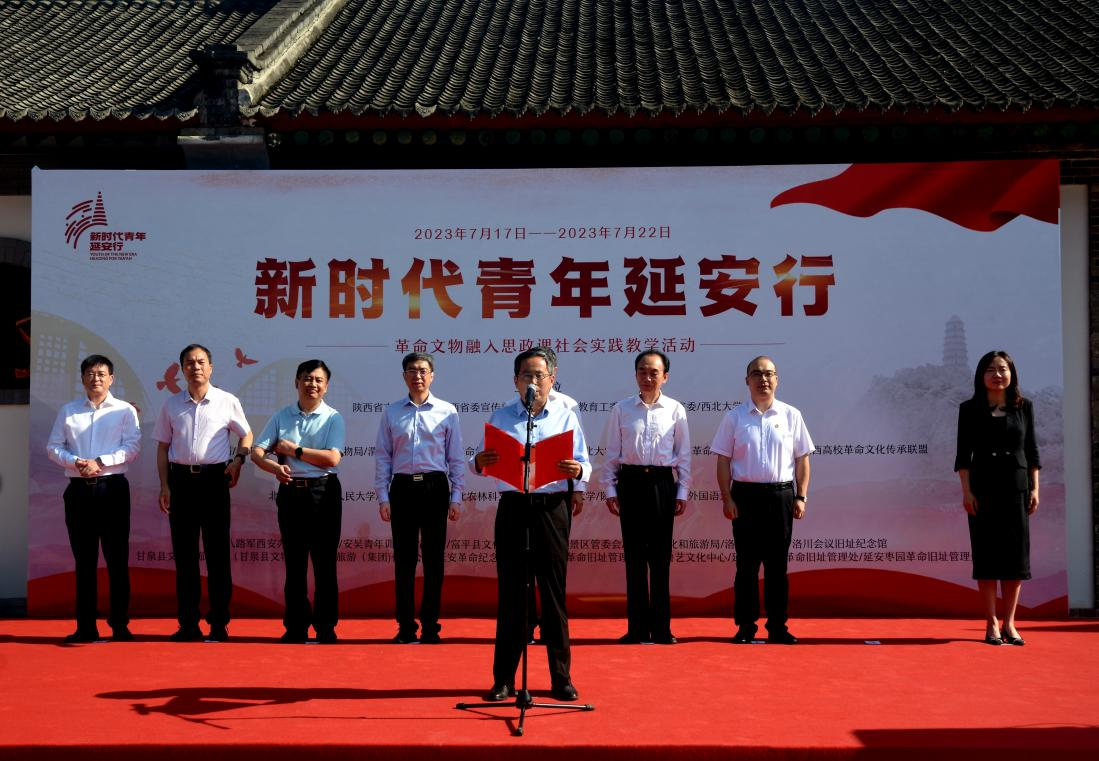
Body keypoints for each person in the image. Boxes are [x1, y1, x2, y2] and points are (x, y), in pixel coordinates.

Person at [472, 346, 591, 702]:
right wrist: (479, 461)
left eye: (540, 375)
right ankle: (504, 680)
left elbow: (584, 463)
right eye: (527, 375)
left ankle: (561, 678)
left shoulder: (565, 416)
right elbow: (478, 463)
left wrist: (578, 472)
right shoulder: (501, 415)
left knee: (553, 594)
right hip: (513, 508)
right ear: (515, 381)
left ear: (552, 380)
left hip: (551, 508)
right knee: (512, 595)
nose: (533, 382)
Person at [153, 344, 252, 642]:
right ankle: (188, 624)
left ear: (210, 367)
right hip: (180, 482)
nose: (195, 367)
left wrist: (238, 461)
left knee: (217, 555)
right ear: (182, 369)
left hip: (214, 482)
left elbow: (246, 434)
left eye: (200, 362)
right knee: (185, 557)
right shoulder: (171, 405)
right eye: (189, 363)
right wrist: (165, 485)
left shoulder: (226, 401)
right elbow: (162, 447)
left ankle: (219, 623)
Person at [713, 356, 813, 645]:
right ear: (747, 381)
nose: (763, 379)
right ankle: (746, 626)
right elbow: (723, 460)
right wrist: (727, 498)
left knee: (777, 567)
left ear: (777, 379)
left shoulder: (791, 415)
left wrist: (801, 495)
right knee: (746, 567)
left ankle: (778, 626)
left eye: (769, 374)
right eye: (756, 374)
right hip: (745, 497)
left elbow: (802, 459)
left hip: (781, 496)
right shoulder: (735, 417)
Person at [46, 354, 141, 643]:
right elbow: (53, 447)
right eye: (89, 373)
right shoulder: (69, 411)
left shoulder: (124, 410)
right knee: (84, 561)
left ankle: (120, 625)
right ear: (82, 378)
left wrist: (99, 462)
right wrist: (77, 462)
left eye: (101, 374)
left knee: (117, 559)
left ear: (111, 379)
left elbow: (132, 447)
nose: (95, 378)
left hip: (112, 489)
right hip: (78, 491)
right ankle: (86, 626)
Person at [252, 360, 345, 643]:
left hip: (323, 492)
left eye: (318, 380)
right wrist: (274, 467)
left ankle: (326, 628)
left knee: (324, 564)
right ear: (296, 382)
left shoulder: (333, 418)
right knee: (294, 563)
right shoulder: (282, 416)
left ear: (326, 386)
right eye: (306, 378)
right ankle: (295, 627)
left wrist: (296, 451)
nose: (312, 384)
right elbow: (257, 451)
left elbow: (332, 458)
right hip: (291, 491)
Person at [375, 352, 464, 644]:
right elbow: (383, 456)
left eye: (423, 370)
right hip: (402, 488)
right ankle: (405, 626)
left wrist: (456, 496)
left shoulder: (447, 411)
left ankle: (429, 625)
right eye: (412, 370)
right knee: (404, 560)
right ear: (404, 376)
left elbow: (455, 457)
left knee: (434, 560)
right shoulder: (392, 412)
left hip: (434, 487)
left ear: (432, 375)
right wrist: (382, 496)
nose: (418, 376)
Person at [603, 350, 691, 644]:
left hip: (662, 484)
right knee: (635, 559)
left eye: (654, 372)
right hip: (630, 483)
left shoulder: (675, 410)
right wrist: (610, 489)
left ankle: (662, 628)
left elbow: (684, 455)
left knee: (660, 559)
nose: (648, 377)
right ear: (635, 375)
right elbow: (612, 453)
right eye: (642, 371)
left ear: (665, 376)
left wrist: (682, 490)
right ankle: (638, 628)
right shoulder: (622, 409)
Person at [955, 350, 1040, 646]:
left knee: (1015, 558)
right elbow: (963, 456)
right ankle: (991, 621)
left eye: (1002, 369)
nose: (997, 375)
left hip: (1016, 488)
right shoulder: (969, 409)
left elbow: (1032, 451)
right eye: (990, 370)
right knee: (988, 555)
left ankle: (1010, 622)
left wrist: (1035, 488)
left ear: (1011, 374)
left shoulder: (1024, 407)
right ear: (981, 376)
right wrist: (967, 492)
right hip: (983, 489)